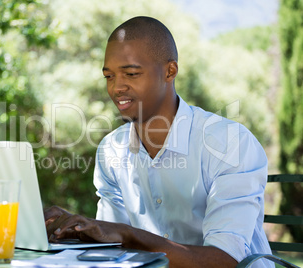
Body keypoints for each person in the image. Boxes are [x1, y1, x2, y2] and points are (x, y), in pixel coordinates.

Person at [44, 16, 274, 268]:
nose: (116, 87)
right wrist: (79, 229)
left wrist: (127, 234)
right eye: (109, 76)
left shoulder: (229, 144)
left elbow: (225, 261)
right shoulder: (111, 151)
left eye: (131, 73)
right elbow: (111, 245)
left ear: (170, 71)